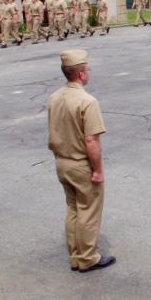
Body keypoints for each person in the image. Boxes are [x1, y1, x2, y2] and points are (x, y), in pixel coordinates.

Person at [48, 49, 114, 273]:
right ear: (82, 74)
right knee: (88, 209)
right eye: (87, 70)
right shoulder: (87, 101)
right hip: (79, 164)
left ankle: (75, 254)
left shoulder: (54, 97)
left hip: (61, 162)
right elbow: (91, 140)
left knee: (73, 208)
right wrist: (98, 170)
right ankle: (87, 257)